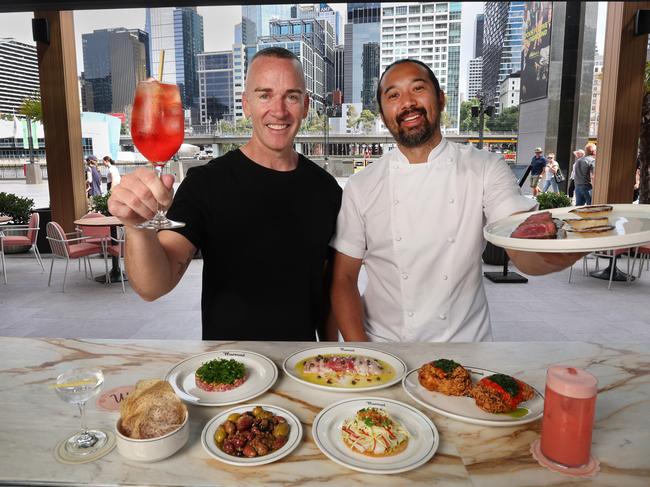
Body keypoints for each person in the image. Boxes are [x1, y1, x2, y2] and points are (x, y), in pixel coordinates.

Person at [330, 59, 583, 343]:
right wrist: (365, 353)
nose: (407, 103)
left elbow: (521, 249)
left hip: (464, 347)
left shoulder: (485, 168)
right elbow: (344, 279)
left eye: (418, 88)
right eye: (393, 95)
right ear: (383, 112)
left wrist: (569, 249)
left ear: (440, 99)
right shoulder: (362, 185)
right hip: (386, 347)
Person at [108, 47, 342, 341]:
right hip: (228, 370)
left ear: (306, 105)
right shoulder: (206, 182)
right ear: (246, 104)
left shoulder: (326, 188)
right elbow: (152, 286)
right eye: (265, 95)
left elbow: (326, 289)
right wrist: (137, 226)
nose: (279, 110)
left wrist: (331, 354)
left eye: (291, 96)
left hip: (301, 368)